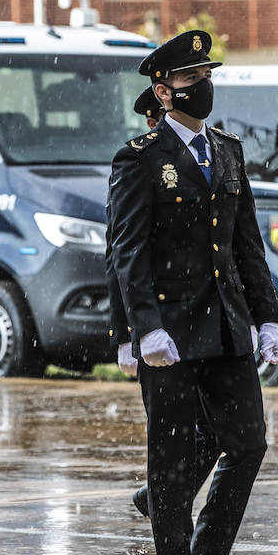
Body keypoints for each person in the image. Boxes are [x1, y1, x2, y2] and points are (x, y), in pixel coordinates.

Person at [108, 30, 278, 555]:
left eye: (206, 75)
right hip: (171, 332)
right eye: (189, 79)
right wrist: (141, 330)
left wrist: (266, 318)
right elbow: (126, 252)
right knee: (173, 459)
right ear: (162, 90)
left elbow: (247, 245)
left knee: (249, 440)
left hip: (228, 325)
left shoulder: (228, 152)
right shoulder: (139, 158)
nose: (202, 86)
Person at [112, 87, 223, 527]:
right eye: (154, 119)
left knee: (215, 430)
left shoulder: (206, 156)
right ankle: (170, 520)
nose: (158, 126)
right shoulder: (138, 166)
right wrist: (126, 334)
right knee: (176, 435)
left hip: (202, 323)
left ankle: (158, 498)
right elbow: (119, 259)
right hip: (159, 323)